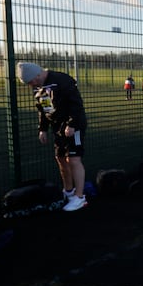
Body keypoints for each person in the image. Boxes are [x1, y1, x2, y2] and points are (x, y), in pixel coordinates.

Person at [17, 62, 88, 212]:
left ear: (37, 74)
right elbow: (44, 109)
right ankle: (68, 191)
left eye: (31, 81)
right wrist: (43, 129)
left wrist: (72, 124)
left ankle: (80, 197)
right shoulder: (38, 87)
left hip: (74, 125)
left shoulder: (62, 80)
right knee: (60, 158)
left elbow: (76, 104)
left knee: (74, 159)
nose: (31, 85)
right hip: (58, 128)